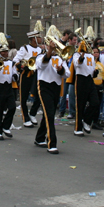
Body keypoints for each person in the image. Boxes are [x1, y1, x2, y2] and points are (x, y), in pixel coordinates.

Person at [35, 26, 71, 154]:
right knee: (50, 114)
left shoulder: (61, 58)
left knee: (48, 114)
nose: (54, 47)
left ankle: (39, 138)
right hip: (44, 86)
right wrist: (49, 52)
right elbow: (41, 65)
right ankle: (52, 143)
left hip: (56, 87)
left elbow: (67, 74)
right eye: (51, 45)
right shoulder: (40, 56)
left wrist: (61, 70)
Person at [70, 27, 100, 136]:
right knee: (80, 105)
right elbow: (77, 64)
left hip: (89, 80)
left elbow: (91, 68)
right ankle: (77, 128)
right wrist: (82, 54)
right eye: (86, 44)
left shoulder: (91, 56)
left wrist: (94, 73)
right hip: (81, 80)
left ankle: (87, 120)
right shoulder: (76, 55)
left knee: (95, 103)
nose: (89, 46)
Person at [14, 21, 43, 127]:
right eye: (39, 37)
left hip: (37, 75)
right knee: (24, 96)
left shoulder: (40, 50)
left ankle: (32, 113)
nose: (40, 39)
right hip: (26, 74)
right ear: (33, 38)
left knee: (39, 96)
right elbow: (16, 60)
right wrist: (22, 66)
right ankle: (25, 118)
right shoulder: (24, 48)